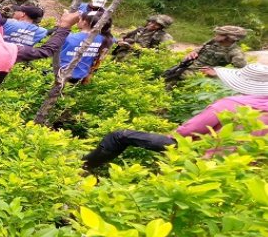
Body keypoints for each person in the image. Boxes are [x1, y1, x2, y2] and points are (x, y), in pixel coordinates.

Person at [82, 62, 268, 170]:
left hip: (204, 158)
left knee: (119, 136)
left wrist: (170, 138)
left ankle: (82, 168)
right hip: (245, 165)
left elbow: (189, 131)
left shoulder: (231, 105)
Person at [59, 11, 114, 83]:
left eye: (80, 19)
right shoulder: (106, 39)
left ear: (84, 22)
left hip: (62, 74)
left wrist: (63, 22)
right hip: (82, 76)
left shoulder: (69, 37)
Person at [180, 26, 248, 76]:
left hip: (202, 75)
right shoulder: (212, 42)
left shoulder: (236, 53)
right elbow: (201, 48)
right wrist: (193, 52)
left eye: (220, 34)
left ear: (229, 38)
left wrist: (216, 74)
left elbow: (242, 72)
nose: (216, 35)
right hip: (188, 67)